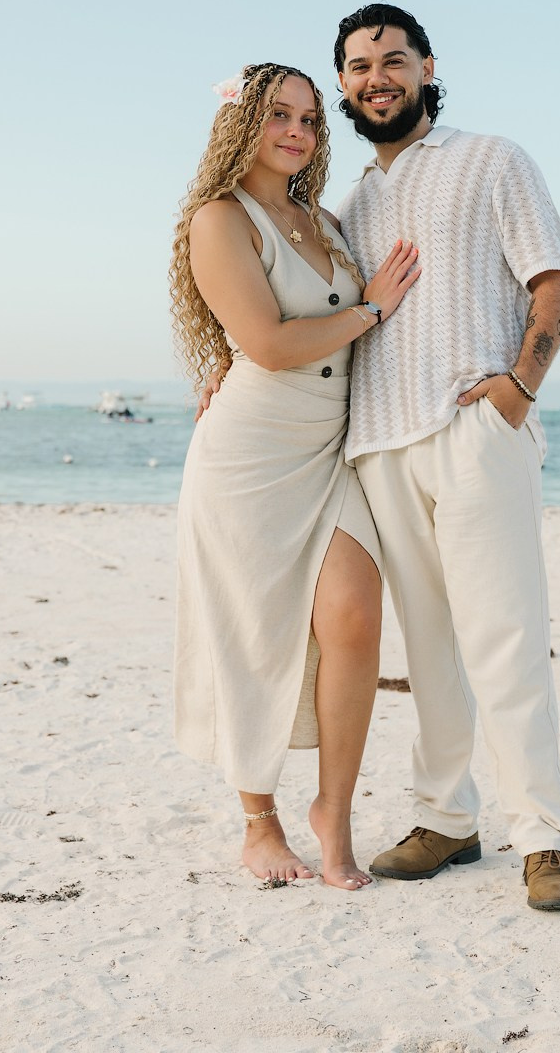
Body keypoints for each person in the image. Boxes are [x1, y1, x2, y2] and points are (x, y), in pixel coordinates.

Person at [330, 4, 560, 911]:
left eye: (393, 60)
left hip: (473, 431)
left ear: (427, 67)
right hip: (378, 444)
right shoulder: (346, 208)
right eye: (359, 66)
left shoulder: (492, 159)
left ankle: (546, 840)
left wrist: (520, 387)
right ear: (343, 84)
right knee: (428, 650)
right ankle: (446, 818)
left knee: (505, 639)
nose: (377, 78)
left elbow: (553, 278)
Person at [170, 62, 422, 890]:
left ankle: (333, 814)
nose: (297, 132)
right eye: (279, 115)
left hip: (329, 450)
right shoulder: (220, 219)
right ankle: (259, 824)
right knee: (251, 631)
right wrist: (370, 310)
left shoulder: (323, 219)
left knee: (354, 616)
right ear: (241, 124)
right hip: (250, 456)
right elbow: (272, 346)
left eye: (310, 119)